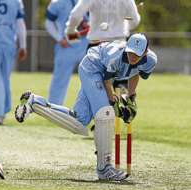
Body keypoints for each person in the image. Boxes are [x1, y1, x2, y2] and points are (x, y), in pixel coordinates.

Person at [15, 33, 157, 181]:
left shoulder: (150, 61)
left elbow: (136, 73)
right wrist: (114, 103)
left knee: (79, 122)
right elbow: (108, 81)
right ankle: (104, 168)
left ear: (145, 52)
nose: (132, 56)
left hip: (98, 71)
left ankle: (35, 103)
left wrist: (131, 97)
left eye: (137, 54)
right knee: (105, 113)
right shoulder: (116, 55)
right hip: (92, 68)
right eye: (131, 52)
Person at [45, 0, 89, 105]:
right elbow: (48, 22)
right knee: (59, 80)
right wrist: (59, 38)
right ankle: (54, 109)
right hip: (66, 46)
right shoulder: (57, 2)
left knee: (91, 79)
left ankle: (91, 109)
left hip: (87, 44)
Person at [65, 0, 141, 47]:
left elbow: (75, 15)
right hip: (119, 44)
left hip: (95, 44)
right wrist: (124, 25)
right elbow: (135, 21)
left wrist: (70, 31)